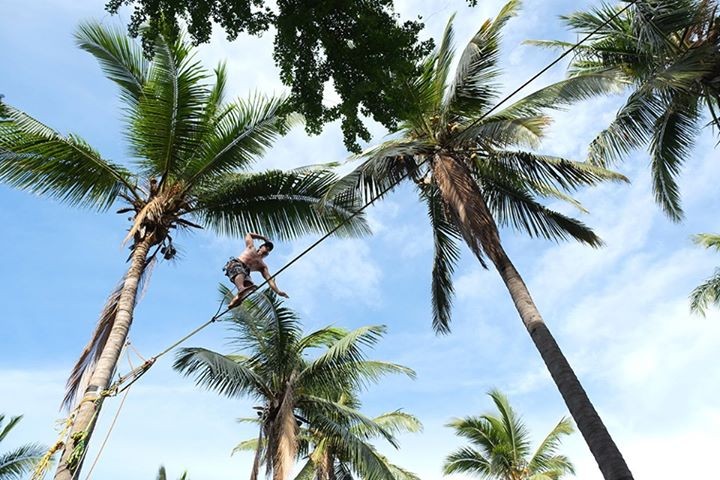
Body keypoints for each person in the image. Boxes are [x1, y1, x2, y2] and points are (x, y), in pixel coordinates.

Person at [223, 232, 289, 309]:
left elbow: (269, 279)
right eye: (266, 247)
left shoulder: (262, 266)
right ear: (260, 247)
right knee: (241, 272)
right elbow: (248, 235)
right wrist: (263, 237)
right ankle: (241, 288)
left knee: (250, 285)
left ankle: (235, 301)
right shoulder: (251, 248)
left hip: (245, 272)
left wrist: (278, 291)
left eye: (269, 250)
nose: (267, 249)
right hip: (235, 264)